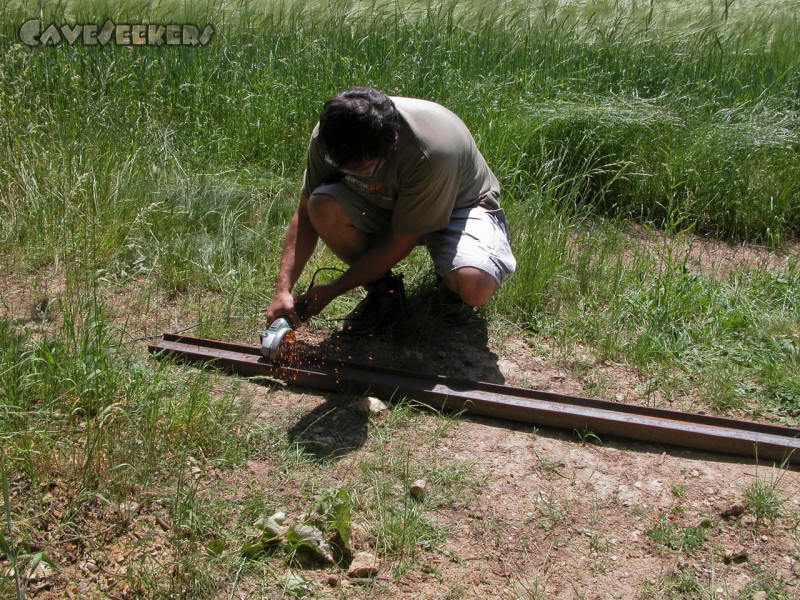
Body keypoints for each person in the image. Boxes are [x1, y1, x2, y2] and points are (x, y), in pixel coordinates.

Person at [265, 87, 516, 335]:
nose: (351, 173)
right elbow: (306, 214)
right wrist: (282, 289)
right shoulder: (330, 135)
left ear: (391, 145)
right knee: (321, 205)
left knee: (476, 284)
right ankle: (385, 293)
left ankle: (451, 291)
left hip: (459, 206)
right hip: (389, 201)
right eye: (343, 168)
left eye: (362, 169)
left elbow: (401, 242)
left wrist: (333, 289)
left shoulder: (432, 151)